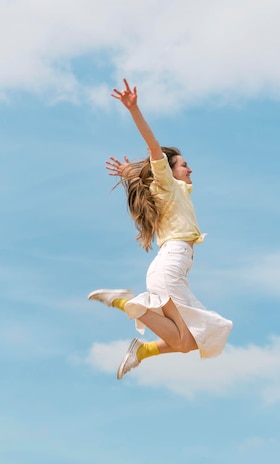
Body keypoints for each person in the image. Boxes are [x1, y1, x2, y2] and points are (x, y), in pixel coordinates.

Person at [89, 78, 233, 380]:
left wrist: (131, 172)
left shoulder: (173, 192)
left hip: (170, 268)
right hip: (170, 266)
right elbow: (154, 148)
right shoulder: (167, 185)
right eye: (183, 165)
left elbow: (150, 176)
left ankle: (142, 350)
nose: (189, 169)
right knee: (194, 337)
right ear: (169, 170)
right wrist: (134, 109)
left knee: (193, 339)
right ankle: (124, 302)